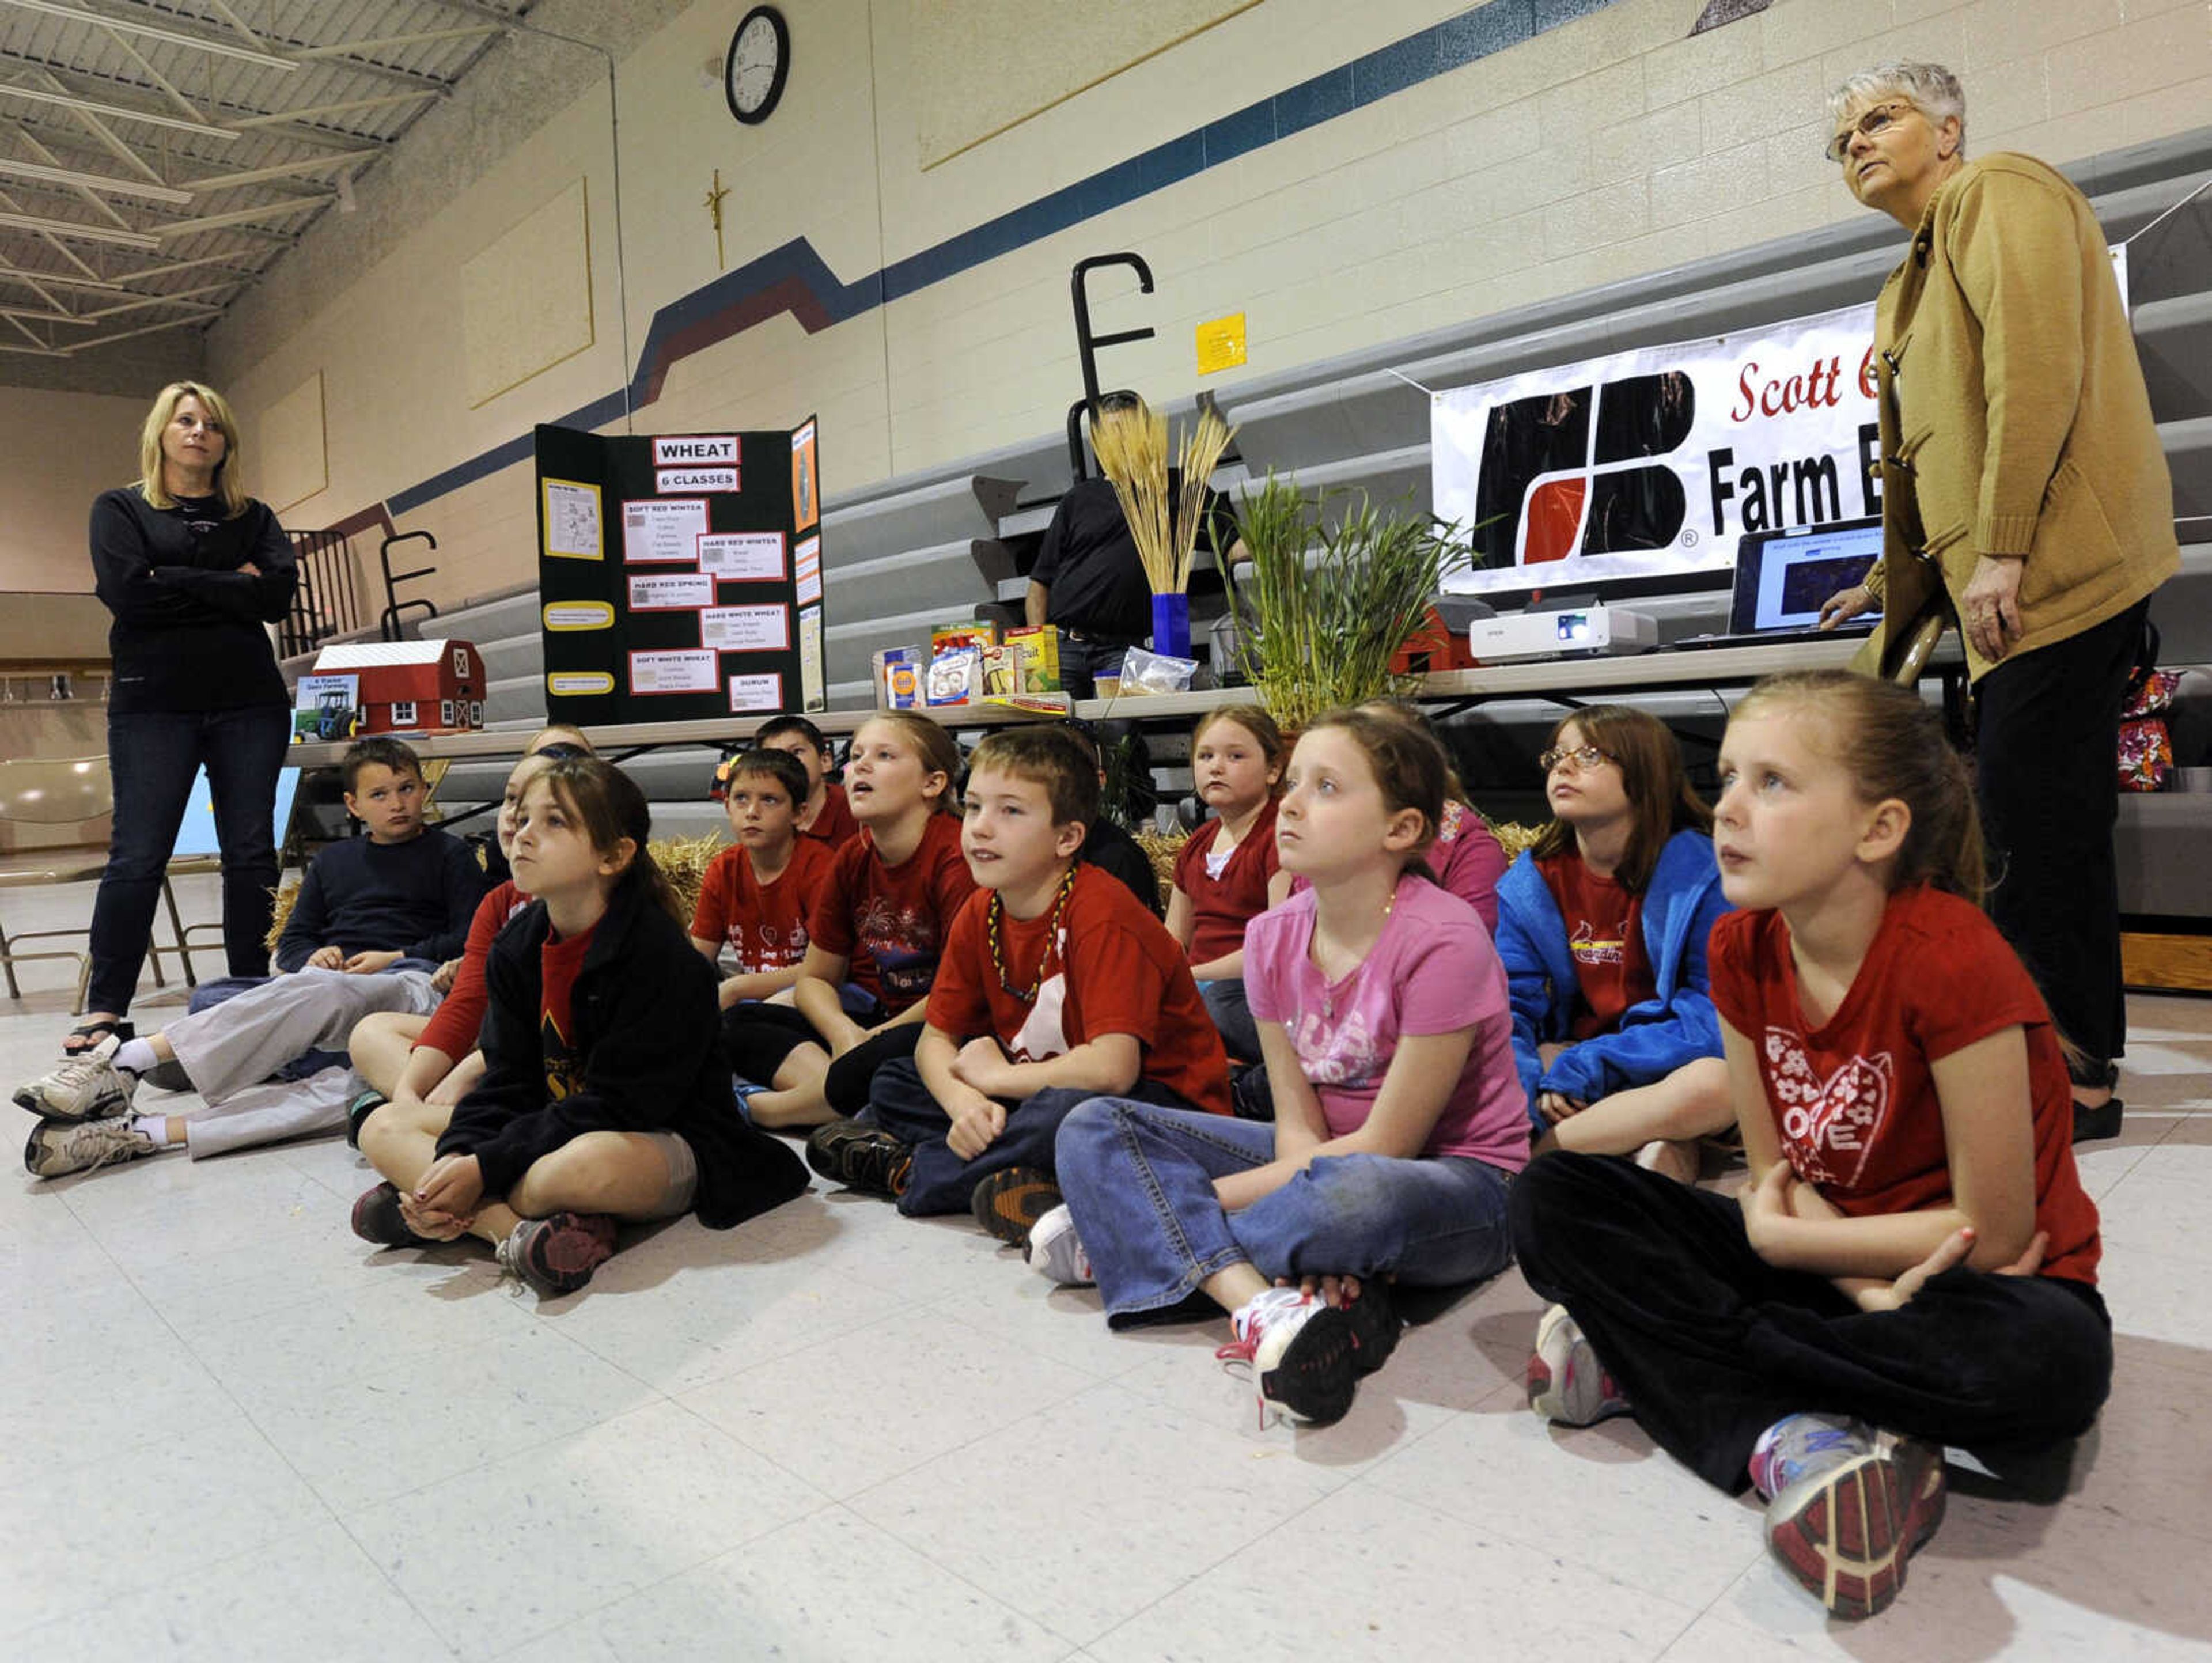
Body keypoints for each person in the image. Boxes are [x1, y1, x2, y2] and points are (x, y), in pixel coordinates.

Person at [1509, 671, 2109, 1622]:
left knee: (2052, 1364)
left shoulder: (1951, 954)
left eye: (1774, 783)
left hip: (1967, 1281)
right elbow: (1780, 1171)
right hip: (1850, 1264)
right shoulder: (1744, 947)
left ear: (1878, 830)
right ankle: (1812, 1434)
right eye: (1731, 776)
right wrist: (1828, 1267)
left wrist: (1793, 1248)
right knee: (1552, 1200)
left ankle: (1653, 1353)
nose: (1731, 809)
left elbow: (1993, 1236)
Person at [1810, 62, 2179, 1142]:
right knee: (2024, 821)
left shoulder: (1997, 190)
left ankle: (2077, 1076)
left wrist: (2006, 551)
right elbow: (1930, 459)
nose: (1858, 145)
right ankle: (2046, 1054)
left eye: (1880, 119)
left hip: (2055, 576)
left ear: (1951, 129)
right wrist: (1887, 584)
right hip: (2006, 593)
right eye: (1843, 141)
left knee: (2039, 827)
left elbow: (2036, 369)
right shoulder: (1909, 277)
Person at [1037, 710, 1528, 1426]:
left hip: (1456, 1179)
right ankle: (1265, 1300)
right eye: (1294, 782)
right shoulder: (1272, 937)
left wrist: (1176, 1197)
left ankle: (1139, 1234)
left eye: (1326, 787)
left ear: (1401, 829)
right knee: (1093, 1124)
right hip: (1317, 1154)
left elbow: (1388, 1146)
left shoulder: (1444, 936)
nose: (1292, 803)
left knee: (1350, 1200)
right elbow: (1298, 1126)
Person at [353, 757, 810, 1297]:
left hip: (664, 1138)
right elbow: (507, 1079)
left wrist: (486, 1164)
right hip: (550, 1123)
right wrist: (461, 1154)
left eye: (554, 823)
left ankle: (439, 1208)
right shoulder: (517, 948)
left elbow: (625, 1106)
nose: (523, 836)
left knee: (563, 1173)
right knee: (381, 1127)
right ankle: (517, 1232)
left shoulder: (660, 956)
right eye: (523, 819)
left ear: (614, 855)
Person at [805, 726, 1230, 1232]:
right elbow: (935, 1040)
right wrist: (965, 1103)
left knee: (1073, 1120)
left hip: (1154, 1102)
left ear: (1067, 837)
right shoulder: (982, 908)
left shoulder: (1102, 912)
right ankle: (1025, 1176)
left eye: (1010, 811)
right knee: (894, 1078)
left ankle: (912, 1171)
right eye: (975, 806)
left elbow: (1114, 1068)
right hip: (1034, 1087)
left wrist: (994, 1080)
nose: (981, 828)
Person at [17, 737, 487, 1176]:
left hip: (408, 983)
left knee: (350, 1074)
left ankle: (131, 1076)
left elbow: (469, 939)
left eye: (407, 789)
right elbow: (294, 940)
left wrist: (394, 956)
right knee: (226, 1002)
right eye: (381, 794)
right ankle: (164, 1116)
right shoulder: (333, 861)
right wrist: (314, 956)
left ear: (425, 789)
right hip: (328, 987)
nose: (398, 803)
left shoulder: (451, 855)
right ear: (353, 805)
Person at [70, 382, 299, 1055]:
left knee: (251, 853)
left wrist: (172, 576)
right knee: (138, 857)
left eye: (212, 424)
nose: (199, 431)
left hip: (250, 703)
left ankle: (250, 988)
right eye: (185, 420)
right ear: (161, 435)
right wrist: (237, 585)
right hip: (153, 705)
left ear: (226, 441)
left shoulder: (253, 516)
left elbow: (280, 598)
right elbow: (127, 595)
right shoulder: (120, 508)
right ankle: (106, 1006)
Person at [1494, 706, 1732, 1183]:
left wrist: (1595, 1061)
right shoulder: (1531, 882)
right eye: (1557, 756)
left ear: (1646, 772)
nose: (1564, 767)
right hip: (1567, 1066)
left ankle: (1530, 1162)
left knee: (1716, 1083)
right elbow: (1508, 1008)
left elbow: (1715, 1015)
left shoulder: (1703, 874)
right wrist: (1522, 1101)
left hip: (1656, 1058)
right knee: (1519, 1055)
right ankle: (1627, 1150)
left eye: (1589, 754)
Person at [719, 713, 977, 1130]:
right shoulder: (853, 857)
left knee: (906, 1051)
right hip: (877, 1021)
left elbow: (955, 997)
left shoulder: (955, 857)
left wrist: (869, 1042)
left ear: (933, 783)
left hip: (942, 1026)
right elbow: (815, 979)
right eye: (855, 756)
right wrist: (843, 1034)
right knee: (738, 1022)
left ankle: (765, 1109)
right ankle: (845, 1101)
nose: (861, 766)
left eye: (885, 755)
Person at [346, 734, 594, 1145]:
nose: (515, 819)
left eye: (546, 814)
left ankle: (443, 1134)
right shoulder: (501, 901)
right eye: (512, 800)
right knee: (370, 1034)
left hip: (573, 1080)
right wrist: (410, 1096)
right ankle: (434, 1126)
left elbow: (565, 1029)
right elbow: (467, 1002)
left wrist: (471, 1069)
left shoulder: (592, 904)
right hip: (506, 1054)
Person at [1023, 393, 1244, 698]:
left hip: (1128, 649)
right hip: (1064, 647)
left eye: (1130, 430)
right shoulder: (1080, 499)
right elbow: (1039, 585)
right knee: (1057, 737)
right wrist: (1039, 652)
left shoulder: (1181, 488)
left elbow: (1235, 545)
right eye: (1113, 432)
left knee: (1120, 732)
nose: (1123, 440)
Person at [1288, 700, 1506, 933]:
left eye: (1327, 785)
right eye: (1292, 784)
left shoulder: (1472, 851)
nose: (1287, 803)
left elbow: (1468, 944)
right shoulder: (1318, 852)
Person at [1168, 705, 1293, 1063]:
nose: (1216, 767)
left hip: (1251, 989)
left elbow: (1276, 949)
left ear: (1273, 769)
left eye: (1235, 756)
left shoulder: (1279, 835)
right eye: (1205, 756)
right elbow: (1174, 938)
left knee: (1219, 1003)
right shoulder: (1196, 845)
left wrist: (1190, 978)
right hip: (1198, 984)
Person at [688, 747, 837, 1007]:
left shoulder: (820, 868)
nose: (752, 812)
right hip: (754, 1001)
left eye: (769, 800)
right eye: (741, 799)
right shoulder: (724, 869)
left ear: (799, 813)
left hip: (820, 994)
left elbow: (827, 970)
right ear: (727, 806)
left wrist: (736, 989)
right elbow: (695, 961)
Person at [751, 714, 859, 848]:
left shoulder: (858, 814)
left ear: (825, 761)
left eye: (797, 752)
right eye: (774, 756)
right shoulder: (757, 817)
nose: (786, 762)